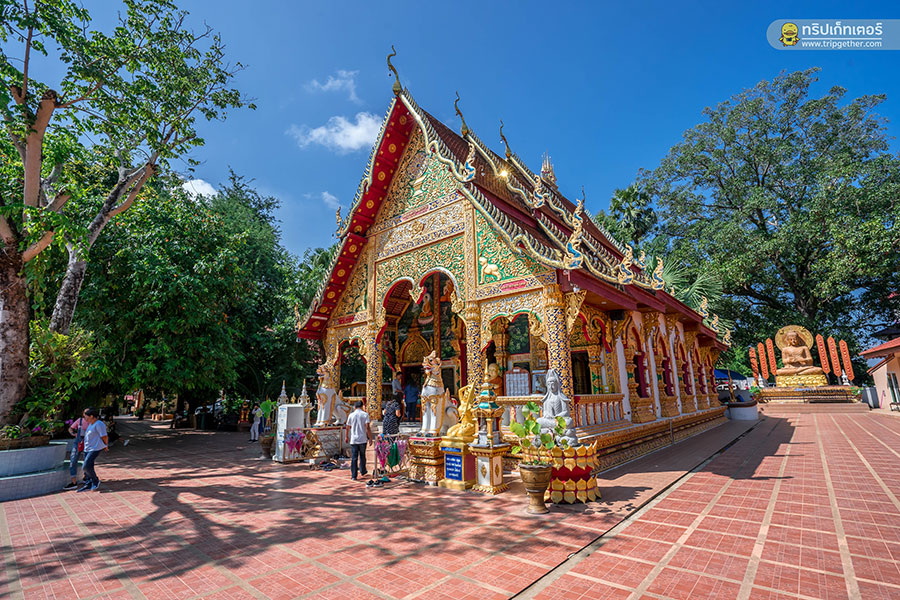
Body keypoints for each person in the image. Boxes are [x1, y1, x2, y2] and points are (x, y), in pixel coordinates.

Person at [79, 407, 108, 492]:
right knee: (89, 467)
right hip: (87, 448)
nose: (84, 418)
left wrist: (105, 445)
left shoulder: (99, 424)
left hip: (95, 448)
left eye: (85, 416)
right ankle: (88, 483)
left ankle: (95, 481)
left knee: (86, 466)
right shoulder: (91, 424)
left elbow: (104, 436)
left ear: (91, 416)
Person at [344, 401, 371, 481]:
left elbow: (347, 427)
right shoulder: (365, 415)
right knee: (362, 456)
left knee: (354, 458)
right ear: (362, 406)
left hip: (354, 439)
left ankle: (354, 475)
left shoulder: (351, 415)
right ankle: (363, 471)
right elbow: (367, 427)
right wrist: (370, 438)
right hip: (362, 439)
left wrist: (346, 436)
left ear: (354, 407)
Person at [64, 415, 88, 489]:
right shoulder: (80, 420)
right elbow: (70, 428)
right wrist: (73, 433)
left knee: (87, 461)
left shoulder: (93, 422)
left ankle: (86, 477)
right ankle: (74, 482)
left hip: (88, 442)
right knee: (73, 460)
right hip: (78, 442)